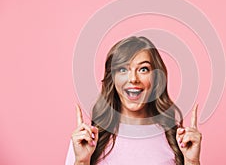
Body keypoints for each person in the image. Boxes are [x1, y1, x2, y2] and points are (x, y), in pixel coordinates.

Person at [66, 36, 202, 165]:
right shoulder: (87, 140)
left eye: (143, 69)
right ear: (112, 79)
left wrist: (191, 162)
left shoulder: (178, 140)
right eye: (122, 69)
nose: (133, 79)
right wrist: (82, 161)